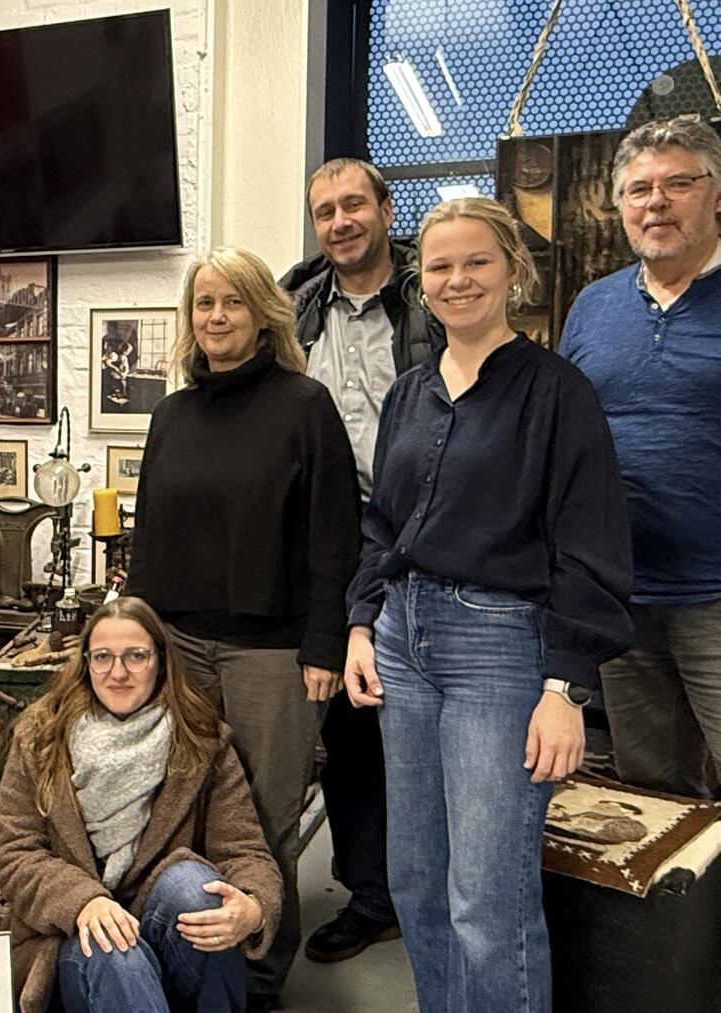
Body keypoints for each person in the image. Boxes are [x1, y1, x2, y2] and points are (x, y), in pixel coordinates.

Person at [343, 197, 633, 1013]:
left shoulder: (555, 392)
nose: (457, 279)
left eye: (476, 261)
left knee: (487, 899)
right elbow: (382, 524)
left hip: (500, 652)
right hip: (403, 640)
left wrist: (563, 686)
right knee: (417, 884)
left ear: (514, 271)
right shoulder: (408, 394)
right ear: (420, 281)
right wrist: (363, 620)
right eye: (440, 266)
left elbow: (589, 542)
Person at [125, 247, 361, 1010]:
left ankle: (259, 976)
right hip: (178, 642)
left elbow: (335, 535)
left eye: (231, 302)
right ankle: (191, 956)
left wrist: (326, 640)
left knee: (263, 816)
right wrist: (133, 637)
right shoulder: (171, 413)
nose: (216, 316)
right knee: (179, 804)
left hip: (274, 648)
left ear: (263, 312)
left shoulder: (304, 404)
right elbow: (149, 532)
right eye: (204, 304)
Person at [280, 157, 446, 963]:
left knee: (424, 724)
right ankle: (370, 892)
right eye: (324, 211)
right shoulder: (296, 309)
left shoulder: (427, 299)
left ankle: (434, 893)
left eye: (354, 205)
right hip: (330, 539)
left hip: (422, 531)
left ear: (386, 208)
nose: (340, 221)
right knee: (349, 729)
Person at [0, 596, 282, 1013]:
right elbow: (14, 854)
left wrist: (253, 908)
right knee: (114, 949)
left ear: (161, 661)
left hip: (164, 926)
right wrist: (83, 901)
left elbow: (245, 850)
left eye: (136, 656)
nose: (118, 673)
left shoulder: (201, 739)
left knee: (201, 893)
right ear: (85, 662)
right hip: (74, 940)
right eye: (103, 657)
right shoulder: (41, 737)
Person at [559, 114, 721, 798]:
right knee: (655, 793)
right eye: (638, 189)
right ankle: (687, 914)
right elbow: (566, 438)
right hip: (622, 598)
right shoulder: (592, 307)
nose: (656, 201)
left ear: (716, 194)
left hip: (716, 596)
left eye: (677, 183)